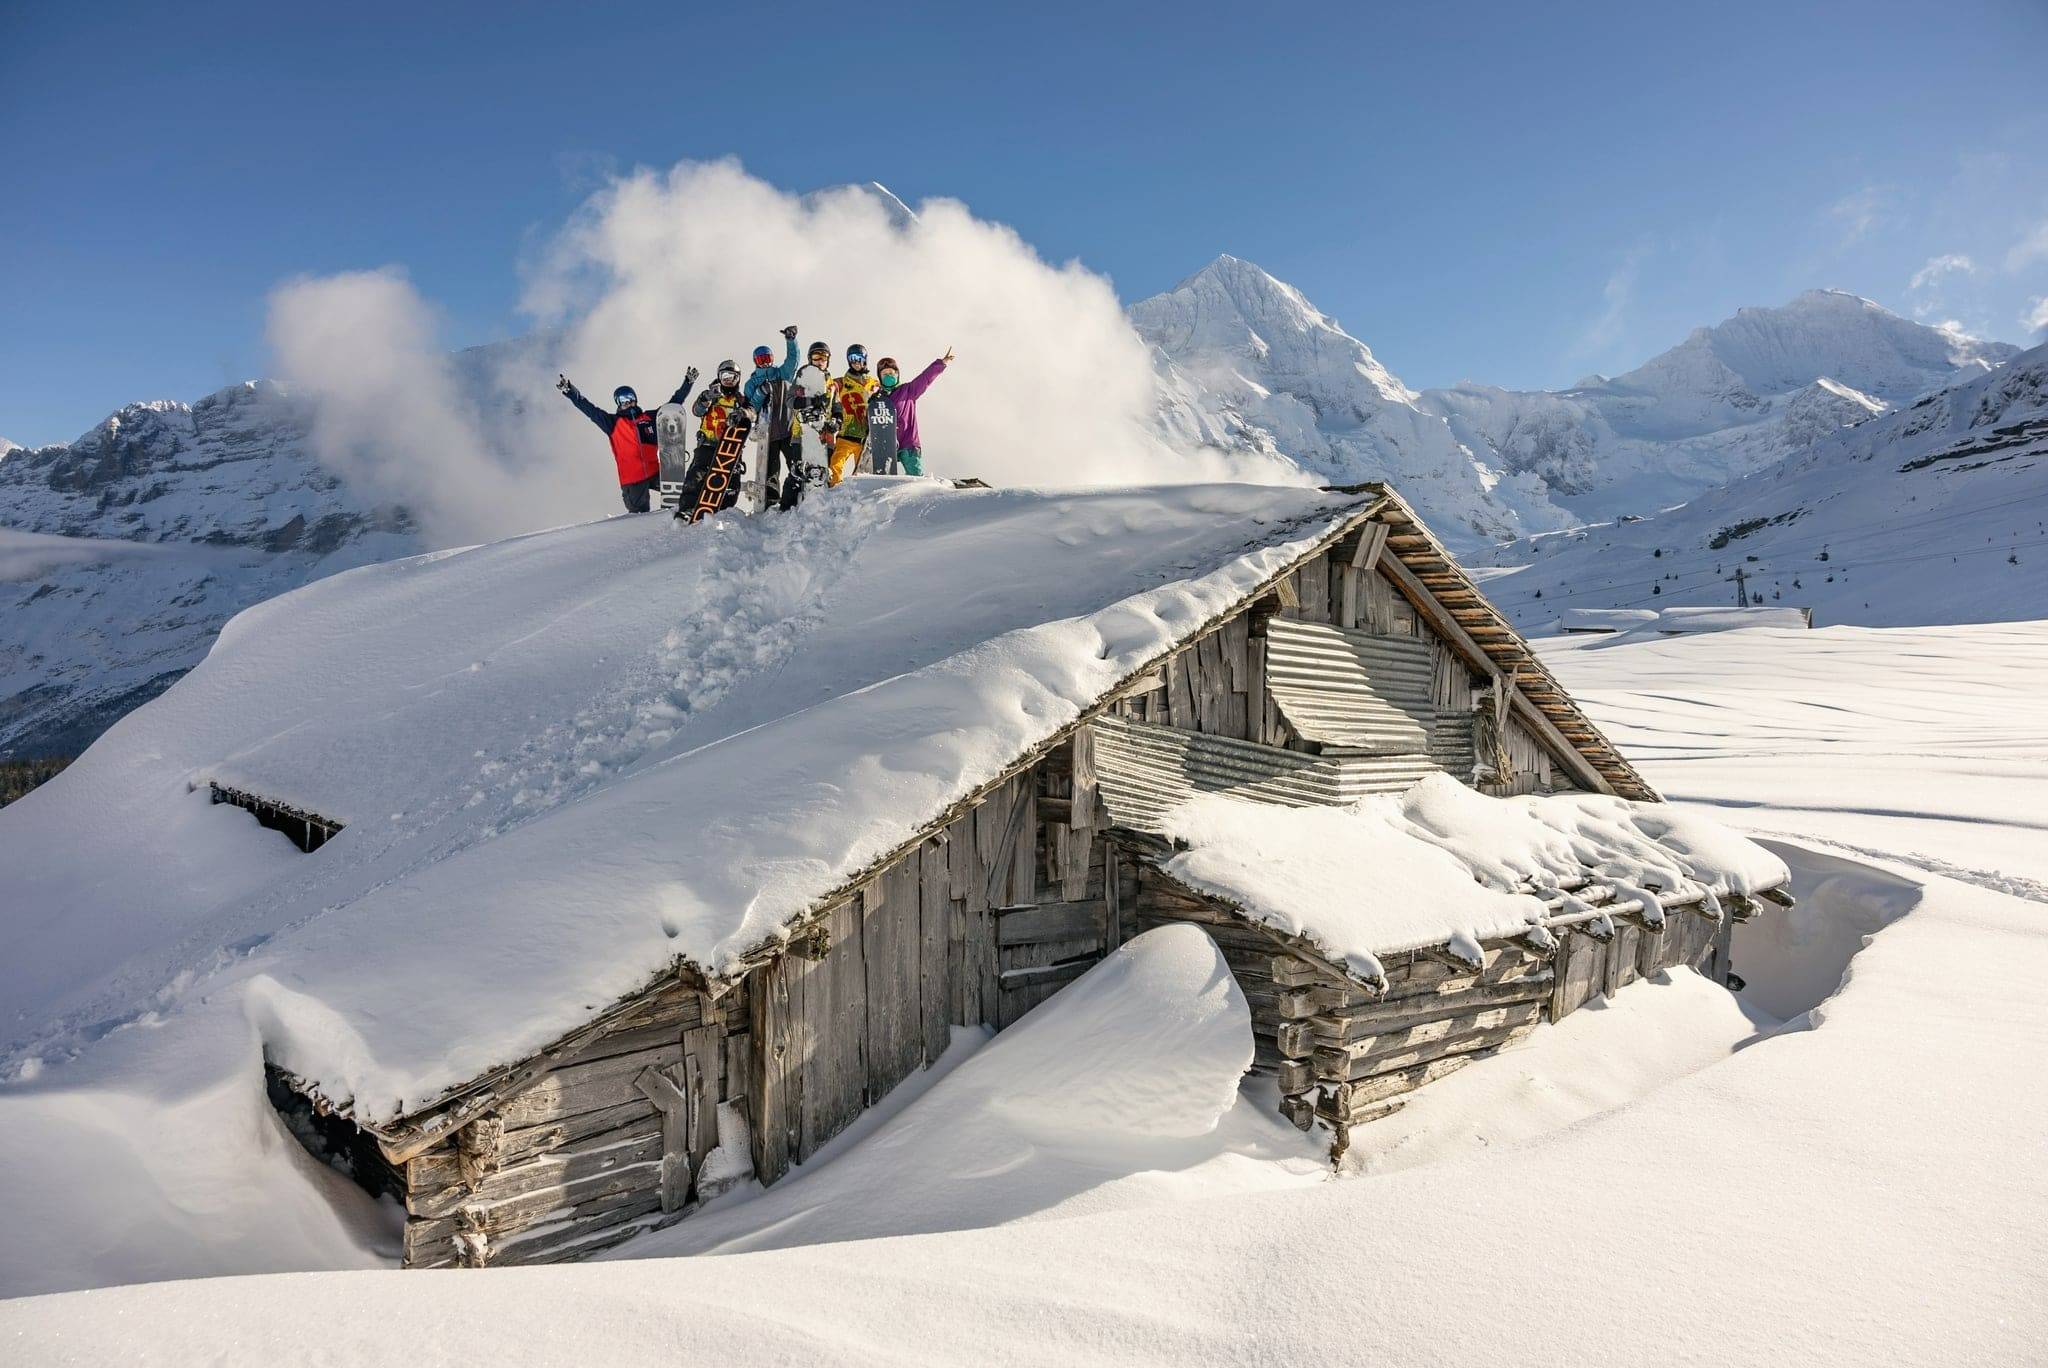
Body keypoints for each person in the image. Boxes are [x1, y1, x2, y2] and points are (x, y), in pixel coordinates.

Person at [556, 369, 697, 512]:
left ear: (635, 399)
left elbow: (673, 404)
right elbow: (589, 409)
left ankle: (688, 515)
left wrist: (687, 383)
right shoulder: (612, 422)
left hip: (655, 472)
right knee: (639, 519)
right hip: (632, 480)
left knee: (683, 491)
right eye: (623, 400)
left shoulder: (649, 417)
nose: (628, 402)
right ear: (618, 403)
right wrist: (570, 391)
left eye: (630, 397)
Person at [742, 326, 802, 511]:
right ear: (755, 362)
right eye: (761, 360)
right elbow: (751, 406)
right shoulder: (752, 383)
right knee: (770, 470)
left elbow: (793, 361)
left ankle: (797, 497)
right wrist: (760, 393)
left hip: (787, 428)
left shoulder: (781, 374)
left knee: (796, 464)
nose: (765, 363)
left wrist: (791, 341)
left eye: (767, 359)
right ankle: (770, 502)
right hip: (767, 434)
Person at [680, 359, 750, 518]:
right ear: (719, 377)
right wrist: (706, 398)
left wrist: (742, 413)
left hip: (730, 447)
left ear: (738, 379)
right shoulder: (711, 395)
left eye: (732, 377)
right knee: (697, 474)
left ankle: (724, 511)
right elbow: (697, 411)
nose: (728, 380)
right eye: (725, 376)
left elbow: (752, 413)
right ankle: (688, 508)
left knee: (732, 480)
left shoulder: (740, 400)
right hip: (709, 444)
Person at [872, 350, 951, 476]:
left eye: (891, 373)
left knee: (916, 477)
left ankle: (920, 495)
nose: (888, 376)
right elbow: (871, 420)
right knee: (884, 478)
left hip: (908, 442)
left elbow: (925, 378)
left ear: (897, 374)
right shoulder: (877, 398)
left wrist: (940, 363)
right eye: (885, 373)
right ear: (880, 377)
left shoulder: (908, 390)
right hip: (887, 443)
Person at [822, 343, 880, 487]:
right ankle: (834, 491)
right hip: (846, 434)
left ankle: (859, 497)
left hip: (864, 437)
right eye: (852, 358)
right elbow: (829, 386)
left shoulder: (872, 382)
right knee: (835, 464)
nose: (855, 362)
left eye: (858, 358)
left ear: (865, 359)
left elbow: (885, 392)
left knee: (862, 473)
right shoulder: (842, 382)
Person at [793, 340, 834, 476]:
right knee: (798, 476)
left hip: (824, 436)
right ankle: (791, 497)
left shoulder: (830, 383)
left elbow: (837, 406)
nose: (820, 361)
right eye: (816, 357)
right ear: (810, 359)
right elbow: (791, 401)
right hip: (802, 434)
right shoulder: (802, 377)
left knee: (825, 474)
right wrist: (813, 401)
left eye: (824, 358)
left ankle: (824, 497)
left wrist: (837, 422)